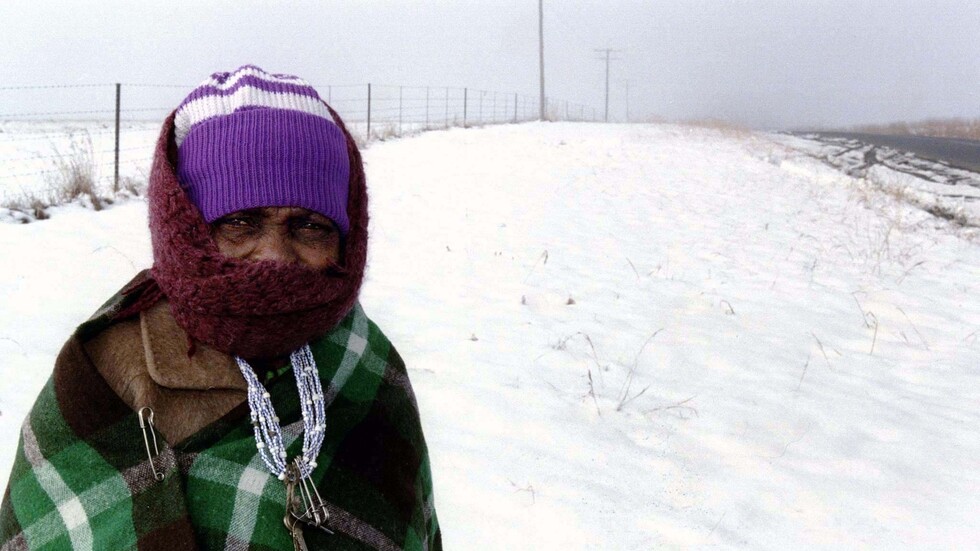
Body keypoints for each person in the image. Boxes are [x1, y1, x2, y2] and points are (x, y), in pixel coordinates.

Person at [0, 66, 441, 550]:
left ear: (347, 237)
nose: (274, 255)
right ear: (185, 231)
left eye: (309, 225)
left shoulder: (366, 360)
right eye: (239, 222)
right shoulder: (108, 371)